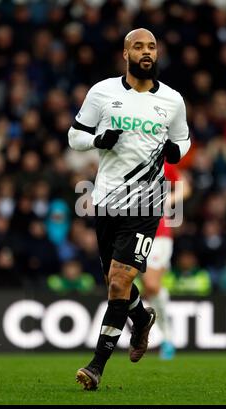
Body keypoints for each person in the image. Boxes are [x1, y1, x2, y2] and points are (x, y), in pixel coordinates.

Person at [68, 28, 191, 390]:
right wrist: (96, 140)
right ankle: (141, 319)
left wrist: (176, 152)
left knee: (122, 280)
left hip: (146, 202)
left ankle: (96, 366)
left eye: (152, 46)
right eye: (138, 46)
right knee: (113, 283)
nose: (146, 51)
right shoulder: (102, 93)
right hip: (106, 200)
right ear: (126, 53)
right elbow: (74, 135)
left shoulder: (172, 100)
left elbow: (183, 139)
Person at [140, 164, 191, 360]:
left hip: (159, 234)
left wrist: (168, 200)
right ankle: (151, 333)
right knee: (146, 287)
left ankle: (168, 338)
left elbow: (185, 187)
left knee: (151, 284)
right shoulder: (126, 159)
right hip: (132, 231)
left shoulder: (162, 162)